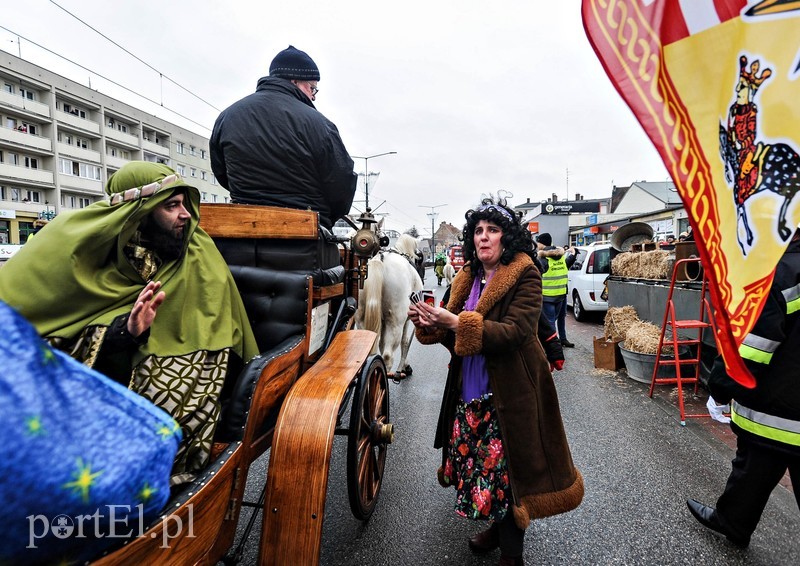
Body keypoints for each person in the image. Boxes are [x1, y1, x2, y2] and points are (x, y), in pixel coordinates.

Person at [0, 161, 259, 486]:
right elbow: (56, 338)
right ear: (138, 212)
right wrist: (126, 331)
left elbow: (206, 329)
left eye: (184, 204)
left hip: (169, 369)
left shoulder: (197, 256)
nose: (186, 215)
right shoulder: (96, 258)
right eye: (172, 206)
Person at [408, 197, 583, 566]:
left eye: (493, 230)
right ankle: (495, 527)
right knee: (479, 467)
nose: (483, 238)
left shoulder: (525, 273)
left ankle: (512, 555)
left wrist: (455, 323)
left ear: (508, 237)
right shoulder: (466, 276)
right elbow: (452, 334)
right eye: (478, 231)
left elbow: (516, 332)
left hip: (511, 389)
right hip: (468, 387)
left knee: (508, 472)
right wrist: (430, 323)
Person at [687, 229, 800, 548]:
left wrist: (720, 388)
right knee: (755, 466)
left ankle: (733, 521)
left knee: (755, 459)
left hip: (779, 405)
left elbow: (753, 347)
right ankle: (733, 521)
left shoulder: (781, 271)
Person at [210, 45, 357, 230]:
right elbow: (342, 185)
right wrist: (325, 219)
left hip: (241, 235)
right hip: (306, 242)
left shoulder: (227, 117)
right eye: (312, 88)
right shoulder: (319, 125)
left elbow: (221, 173)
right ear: (295, 81)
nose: (313, 97)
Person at [536, 233, 579, 348]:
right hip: (560, 295)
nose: (537, 245)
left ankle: (553, 346)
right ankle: (561, 340)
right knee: (559, 318)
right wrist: (574, 255)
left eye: (538, 242)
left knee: (550, 322)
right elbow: (566, 265)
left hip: (547, 296)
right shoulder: (560, 256)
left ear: (542, 243)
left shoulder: (542, 259)